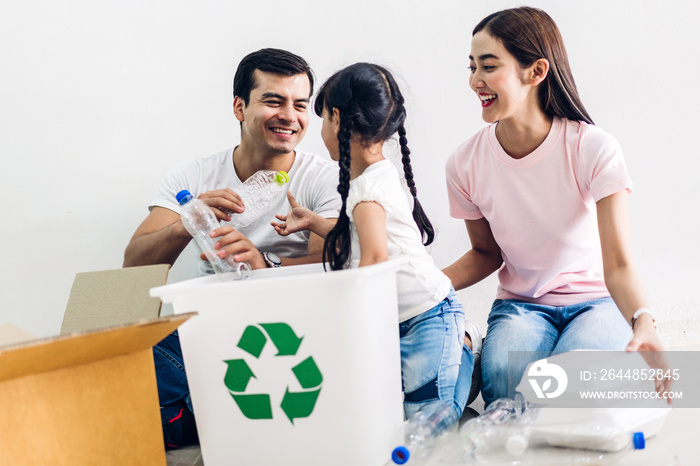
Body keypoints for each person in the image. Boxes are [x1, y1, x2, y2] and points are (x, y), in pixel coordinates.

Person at [443, 7, 665, 406]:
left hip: (595, 303)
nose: (476, 80)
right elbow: (485, 252)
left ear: (536, 71)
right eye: (472, 66)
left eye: (489, 66)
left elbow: (618, 263)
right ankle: (474, 344)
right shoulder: (464, 162)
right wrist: (427, 285)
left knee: (572, 394)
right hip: (520, 307)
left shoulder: (593, 147)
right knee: (508, 389)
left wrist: (642, 320)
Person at [123, 48, 341, 448]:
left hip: (299, 327)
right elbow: (133, 266)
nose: (289, 116)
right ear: (239, 107)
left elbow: (333, 263)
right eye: (273, 101)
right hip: (214, 323)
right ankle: (210, 414)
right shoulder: (194, 176)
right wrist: (190, 221)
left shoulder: (324, 179)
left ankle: (204, 414)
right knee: (116, 381)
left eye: (300, 104)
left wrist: (264, 263)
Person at [272, 62, 481, 421]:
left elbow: (373, 263)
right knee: (393, 416)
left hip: (427, 317)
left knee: (427, 426)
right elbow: (361, 236)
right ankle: (457, 360)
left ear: (337, 119)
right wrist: (316, 223)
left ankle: (465, 345)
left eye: (322, 118)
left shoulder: (367, 190)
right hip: (404, 319)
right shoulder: (374, 177)